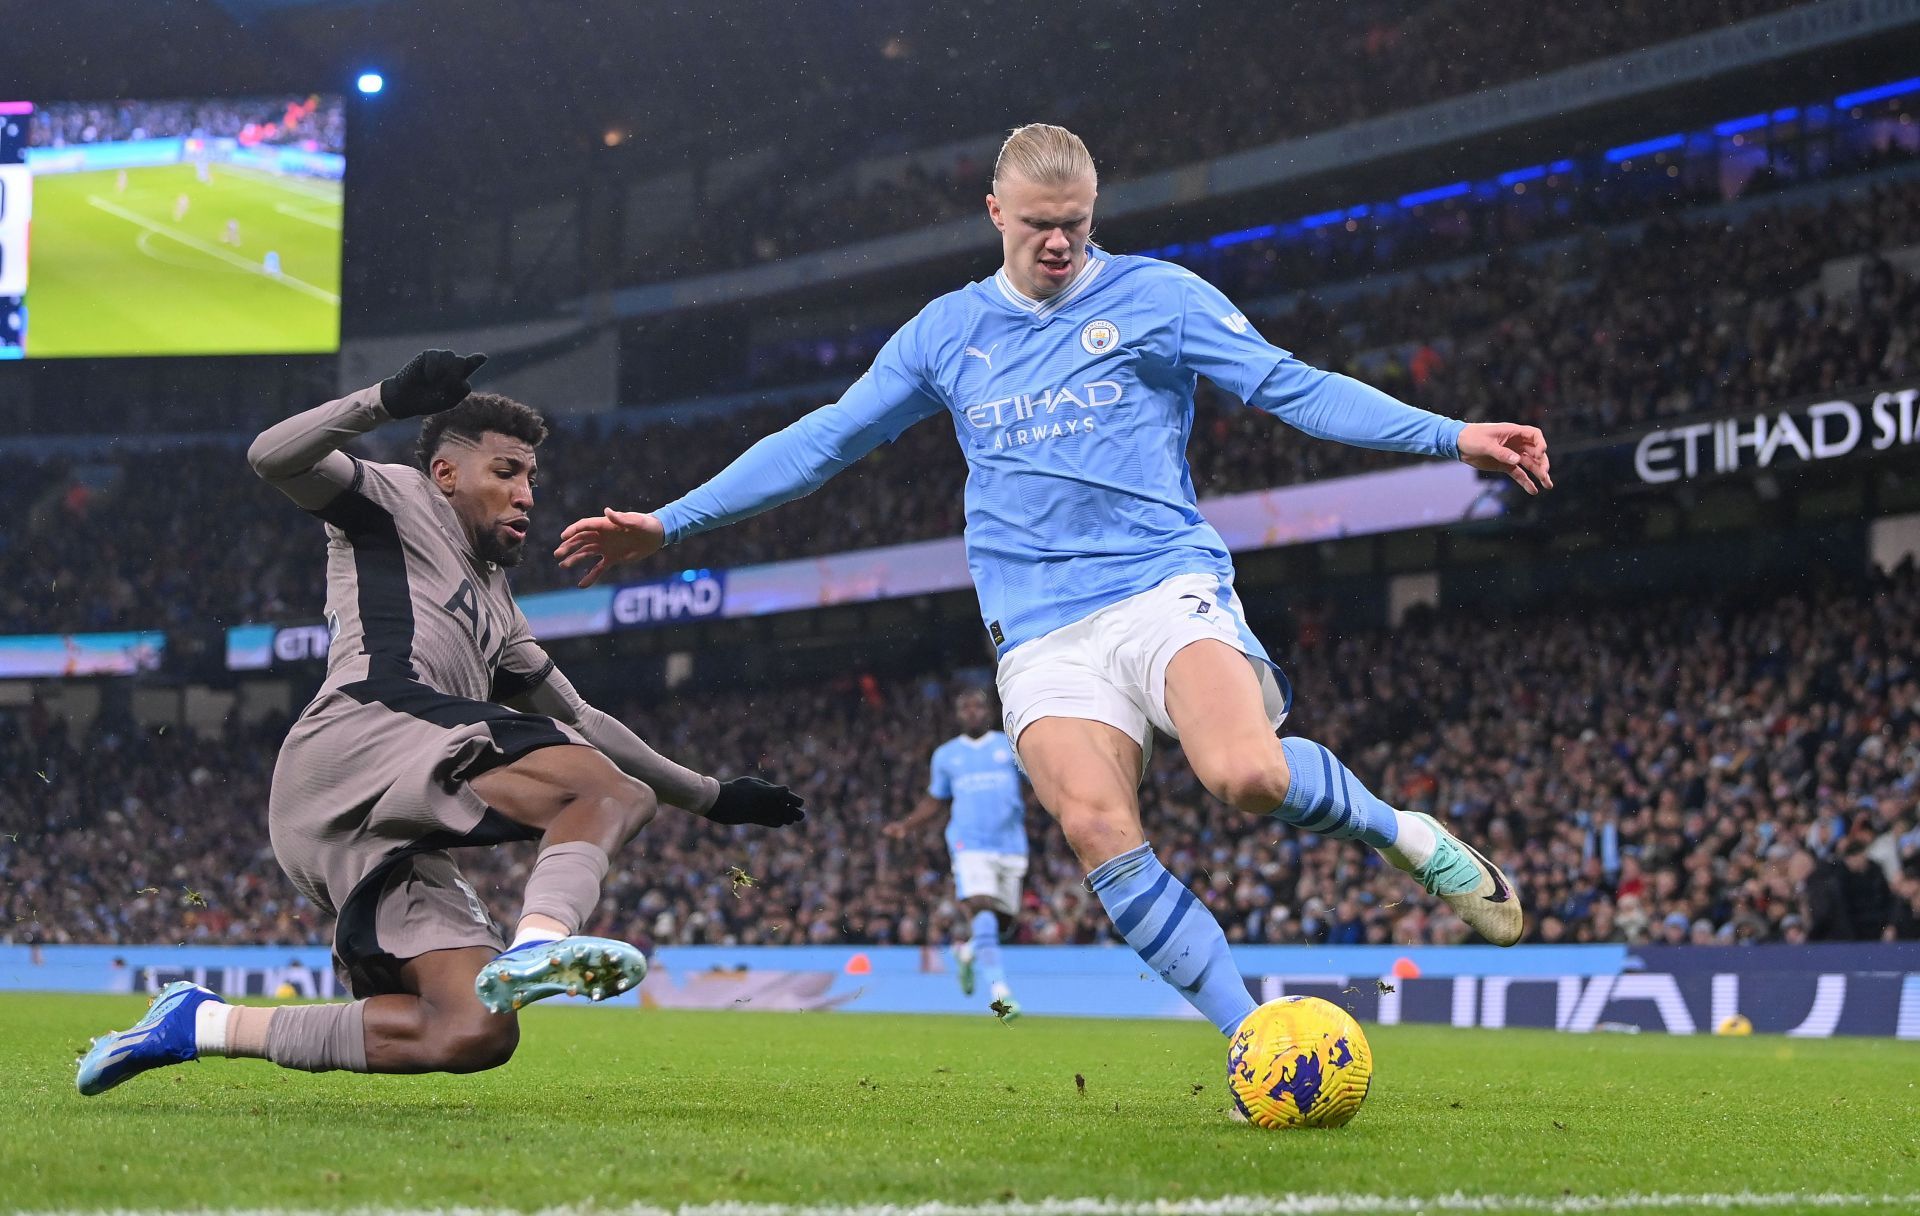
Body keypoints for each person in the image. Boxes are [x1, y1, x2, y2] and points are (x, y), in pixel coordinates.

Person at [556, 124, 1549, 1040]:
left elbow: (1292, 384)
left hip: (1162, 585)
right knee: (1095, 826)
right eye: (1039, 226)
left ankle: (1402, 833)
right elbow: (824, 441)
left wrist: (1449, 435)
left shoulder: (1159, 298)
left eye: (1076, 225)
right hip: (1038, 629)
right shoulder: (946, 333)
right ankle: (1254, 1038)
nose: (1060, 244)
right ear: (996, 213)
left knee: (1248, 775)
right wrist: (671, 523)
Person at [76, 351, 804, 1095]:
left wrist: (714, 798)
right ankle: (541, 945)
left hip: (377, 814)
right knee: (610, 794)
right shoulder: (394, 500)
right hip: (364, 734)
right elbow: (270, 456)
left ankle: (199, 1024)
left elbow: (584, 718)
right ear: (448, 475)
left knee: (473, 1029)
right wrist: (385, 399)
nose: (526, 495)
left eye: (531, 480)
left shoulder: (501, 613)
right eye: (507, 472)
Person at [884, 687, 1028, 1016]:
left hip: (1010, 844)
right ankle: (1001, 993)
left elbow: (1038, 778)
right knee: (981, 907)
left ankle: (966, 953)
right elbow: (936, 799)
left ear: (988, 711)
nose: (973, 712)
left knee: (1003, 922)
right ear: (958, 714)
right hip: (968, 843)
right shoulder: (947, 755)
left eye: (978, 706)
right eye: (966, 708)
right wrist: (906, 826)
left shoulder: (1008, 745)